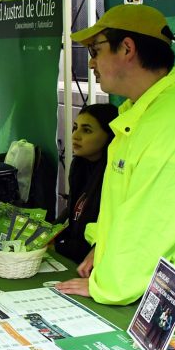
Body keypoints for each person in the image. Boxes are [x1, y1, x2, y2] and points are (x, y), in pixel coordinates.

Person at [56, 4, 175, 308]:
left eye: (96, 49)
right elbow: (129, 207)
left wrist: (107, 286)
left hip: (160, 296)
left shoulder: (171, 121)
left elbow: (153, 227)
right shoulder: (144, 111)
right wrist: (103, 249)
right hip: (138, 282)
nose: (92, 62)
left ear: (127, 48)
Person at [55, 103, 118, 264]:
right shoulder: (79, 165)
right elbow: (72, 213)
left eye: (86, 130)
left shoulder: (114, 174)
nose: (75, 136)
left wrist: (58, 246)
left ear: (109, 135)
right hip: (72, 255)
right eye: (75, 128)